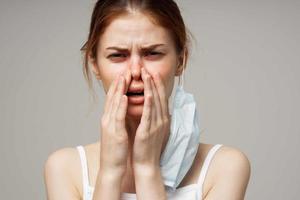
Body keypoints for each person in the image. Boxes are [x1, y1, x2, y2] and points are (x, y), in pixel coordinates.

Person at [44, 1, 251, 199]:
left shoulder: (224, 167)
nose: (135, 71)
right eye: (117, 55)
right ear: (95, 64)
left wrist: (147, 170)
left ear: (181, 60)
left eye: (152, 53)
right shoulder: (64, 168)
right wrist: (110, 172)